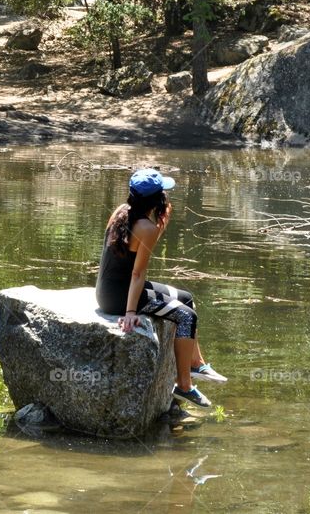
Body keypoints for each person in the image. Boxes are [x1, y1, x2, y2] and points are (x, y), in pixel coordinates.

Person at [95, 169, 226, 408]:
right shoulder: (146, 228)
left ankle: (196, 364)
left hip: (107, 290)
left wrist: (161, 221)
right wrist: (131, 313)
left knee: (186, 298)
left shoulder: (121, 212)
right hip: (121, 297)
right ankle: (184, 386)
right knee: (187, 317)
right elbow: (137, 273)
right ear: (157, 199)